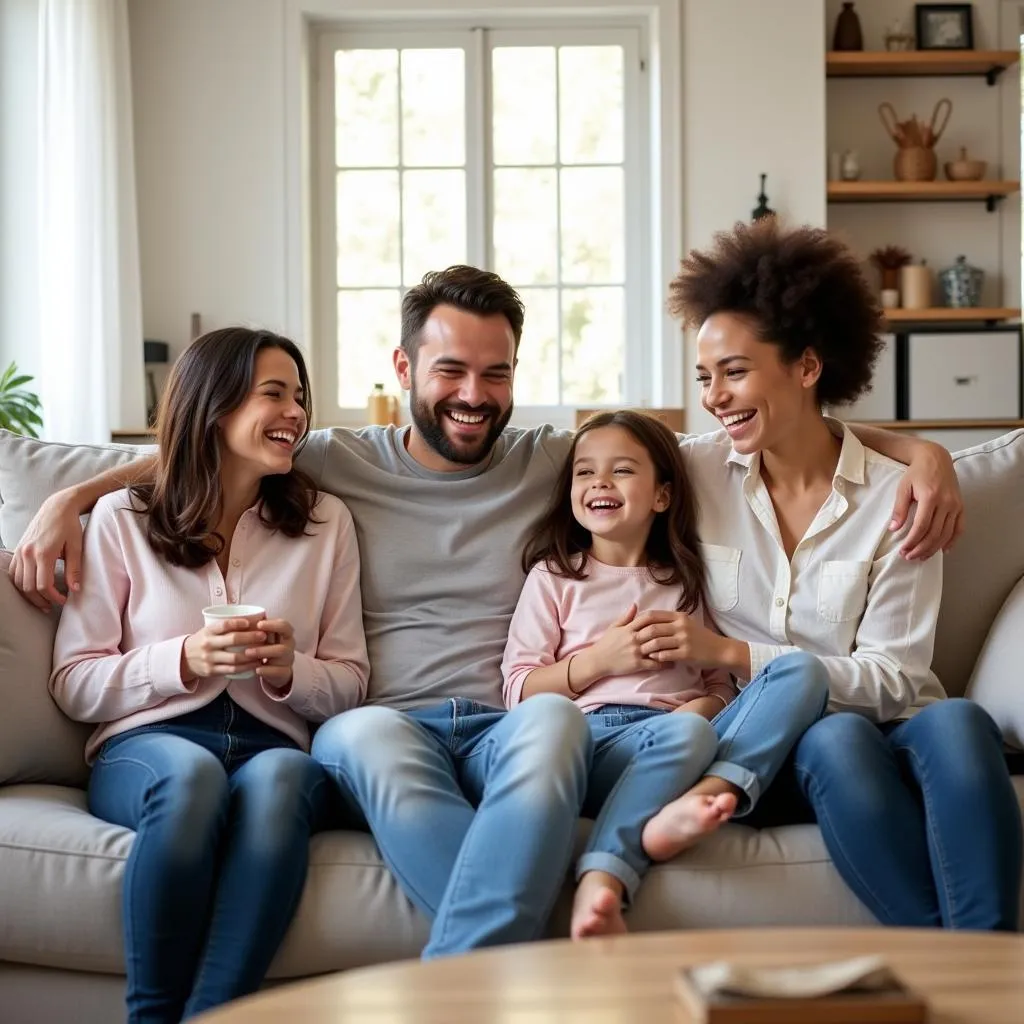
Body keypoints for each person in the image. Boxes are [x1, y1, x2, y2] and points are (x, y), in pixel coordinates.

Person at [15, 266, 965, 952]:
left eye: (497, 373)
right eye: (451, 372)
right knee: (376, 743)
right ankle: (535, 959)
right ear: (403, 366)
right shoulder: (336, 461)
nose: (475, 397)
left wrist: (925, 454)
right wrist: (70, 496)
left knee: (552, 717)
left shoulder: (555, 461)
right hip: (384, 718)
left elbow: (740, 433)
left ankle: (482, 981)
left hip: (520, 722)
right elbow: (212, 439)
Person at [661, 217, 1022, 930]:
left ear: (806, 365)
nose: (714, 397)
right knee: (837, 736)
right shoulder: (693, 471)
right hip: (779, 742)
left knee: (959, 721)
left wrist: (922, 457)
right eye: (705, 377)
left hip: (901, 722)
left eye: (734, 372)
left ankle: (998, 968)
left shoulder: (898, 496)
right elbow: (586, 453)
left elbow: (894, 676)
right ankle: (949, 961)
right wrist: (924, 447)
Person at [48, 327, 370, 1022]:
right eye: (274, 394)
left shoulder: (324, 522)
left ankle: (218, 1013)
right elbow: (74, 682)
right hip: (148, 744)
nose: (296, 414)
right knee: (189, 777)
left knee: (286, 780)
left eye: (301, 397)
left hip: (272, 743)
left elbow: (350, 680)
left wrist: (292, 672)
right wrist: (182, 660)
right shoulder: (122, 518)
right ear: (215, 406)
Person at [502, 409, 828, 939]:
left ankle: (706, 792)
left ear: (662, 496)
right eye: (584, 472)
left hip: (693, 737)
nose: (600, 482)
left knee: (801, 672)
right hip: (599, 742)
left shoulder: (687, 583)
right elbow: (518, 690)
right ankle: (611, 867)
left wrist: (707, 709)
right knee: (683, 733)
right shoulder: (556, 577)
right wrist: (601, 662)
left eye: (622, 470)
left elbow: (720, 682)